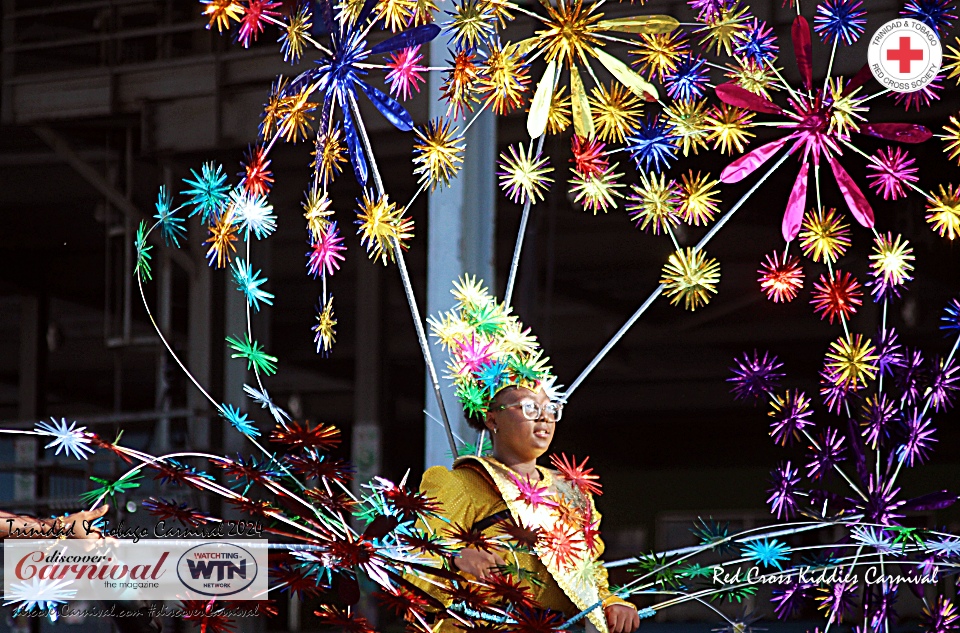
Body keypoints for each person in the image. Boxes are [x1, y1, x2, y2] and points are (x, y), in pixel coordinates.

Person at [411, 276, 640, 633]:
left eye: (551, 409)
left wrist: (611, 602)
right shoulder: (460, 484)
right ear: (492, 419)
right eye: (530, 409)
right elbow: (410, 557)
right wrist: (456, 559)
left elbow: (588, 573)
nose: (545, 418)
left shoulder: (573, 493)